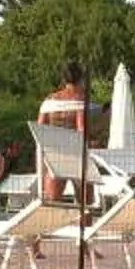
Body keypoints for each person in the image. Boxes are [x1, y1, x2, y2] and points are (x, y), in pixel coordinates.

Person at [35, 63, 92, 204]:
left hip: (54, 155)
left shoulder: (49, 100)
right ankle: (87, 225)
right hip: (75, 154)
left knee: (52, 202)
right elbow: (81, 130)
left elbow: (39, 129)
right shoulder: (79, 100)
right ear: (81, 79)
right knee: (86, 203)